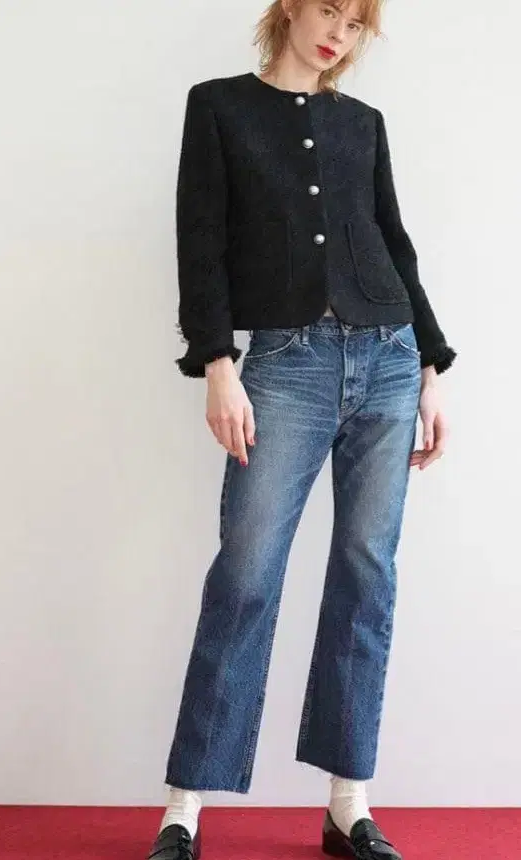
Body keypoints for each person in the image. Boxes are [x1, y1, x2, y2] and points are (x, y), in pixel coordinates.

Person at [147, 1, 456, 858]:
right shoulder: (219, 106)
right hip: (286, 366)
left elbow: (393, 242)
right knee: (245, 576)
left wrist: (431, 367)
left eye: (356, 25)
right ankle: (184, 808)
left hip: (389, 360)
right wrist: (216, 362)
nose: (337, 35)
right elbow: (200, 242)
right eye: (329, 10)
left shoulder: (363, 123)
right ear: (290, 5)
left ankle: (348, 804)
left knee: (367, 576)